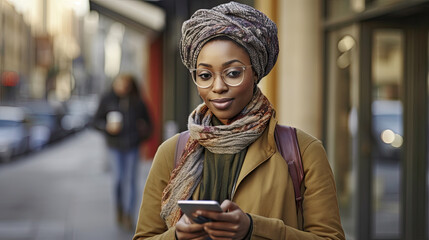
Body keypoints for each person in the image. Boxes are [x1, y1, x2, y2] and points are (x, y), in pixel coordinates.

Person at [134, 2, 345, 239]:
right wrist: (176, 236)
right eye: (205, 75)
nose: (218, 87)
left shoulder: (303, 151)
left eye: (233, 73)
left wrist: (254, 229)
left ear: (255, 72)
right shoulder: (171, 152)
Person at [93, 73, 152, 230]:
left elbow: (150, 125)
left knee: (132, 181)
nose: (122, 87)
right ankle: (119, 208)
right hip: (115, 146)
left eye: (126, 84)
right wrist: (106, 127)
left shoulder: (138, 102)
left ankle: (128, 214)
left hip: (132, 146)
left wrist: (142, 133)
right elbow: (94, 121)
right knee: (118, 179)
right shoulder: (107, 99)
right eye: (119, 83)